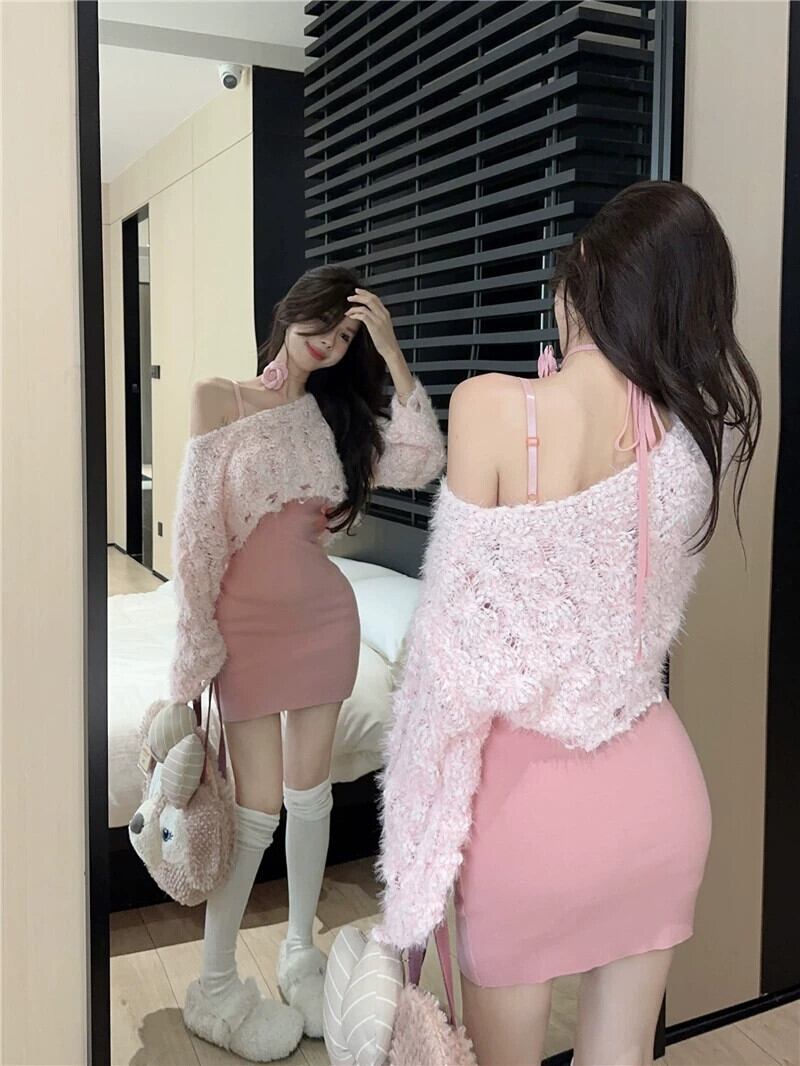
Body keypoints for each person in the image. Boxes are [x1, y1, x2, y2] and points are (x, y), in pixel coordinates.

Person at [371, 180, 761, 1066]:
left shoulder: (492, 407)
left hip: (527, 821)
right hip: (660, 803)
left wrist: (413, 878)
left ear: (585, 277)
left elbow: (446, 670)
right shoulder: (693, 444)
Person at [169, 264, 447, 1061]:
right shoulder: (219, 398)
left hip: (325, 622)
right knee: (255, 812)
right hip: (245, 631)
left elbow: (423, 458)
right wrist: (191, 654)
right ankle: (214, 982)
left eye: (347, 333)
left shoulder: (336, 420)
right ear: (290, 314)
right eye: (323, 322)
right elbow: (194, 537)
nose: (330, 341)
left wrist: (390, 351)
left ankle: (300, 951)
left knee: (310, 795)